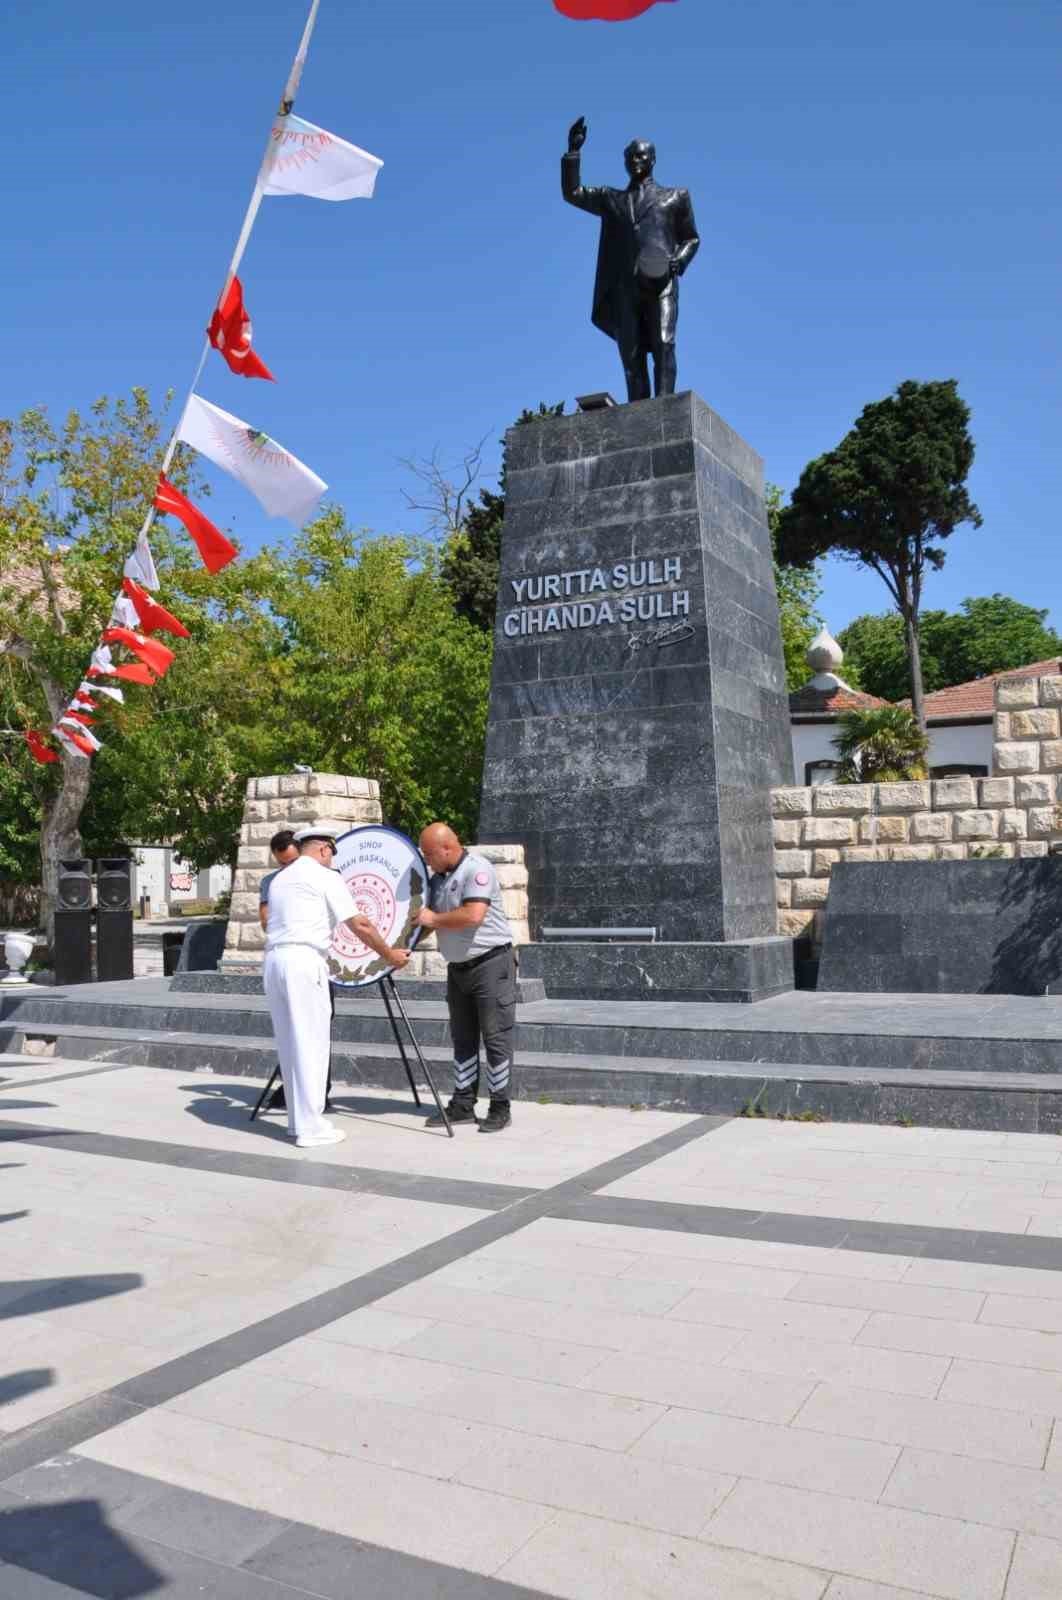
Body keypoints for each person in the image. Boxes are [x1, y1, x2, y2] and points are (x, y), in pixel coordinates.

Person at [264, 822, 409, 1147]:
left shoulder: (281, 879)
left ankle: (297, 1122)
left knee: (289, 1044)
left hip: (274, 961)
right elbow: (359, 922)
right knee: (312, 1043)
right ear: (324, 849)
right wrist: (389, 955)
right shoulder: (325, 876)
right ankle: (312, 1128)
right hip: (304, 961)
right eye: (331, 853)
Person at [562, 116, 699, 402]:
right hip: (626, 286)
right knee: (631, 355)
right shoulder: (612, 199)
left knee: (664, 343)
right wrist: (574, 152)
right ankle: (639, 410)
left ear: (652, 159)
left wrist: (679, 260)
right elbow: (573, 193)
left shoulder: (675, 197)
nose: (634, 160)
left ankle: (664, 405)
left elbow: (691, 238)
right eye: (629, 156)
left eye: (640, 155)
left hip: (661, 282)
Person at [415, 823, 515, 1133]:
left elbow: (473, 915)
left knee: (495, 1037)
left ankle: (500, 1106)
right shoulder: (438, 880)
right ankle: (463, 1103)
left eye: (429, 854)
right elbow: (429, 921)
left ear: (446, 848)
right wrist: (400, 945)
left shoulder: (477, 869)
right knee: (462, 1038)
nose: (427, 860)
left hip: (490, 965)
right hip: (458, 969)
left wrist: (432, 918)